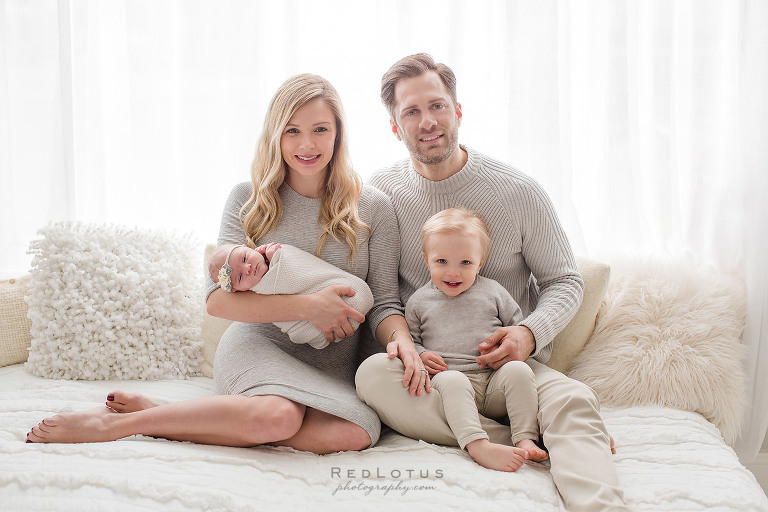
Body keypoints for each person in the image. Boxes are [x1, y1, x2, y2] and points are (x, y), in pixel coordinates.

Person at [27, 73, 404, 455]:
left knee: (354, 434)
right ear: (275, 134)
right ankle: (120, 425)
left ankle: (181, 415)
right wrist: (309, 306)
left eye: (320, 129)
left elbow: (386, 303)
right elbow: (218, 300)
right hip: (260, 345)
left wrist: (403, 342)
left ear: (338, 133)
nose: (306, 144)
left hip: (333, 362)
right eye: (292, 131)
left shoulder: (372, 206)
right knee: (278, 417)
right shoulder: (249, 200)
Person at [355, 54, 631, 511]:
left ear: (458, 111)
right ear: (394, 127)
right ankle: (525, 437)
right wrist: (406, 346)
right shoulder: (380, 196)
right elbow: (383, 301)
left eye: (437, 106)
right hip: (435, 376)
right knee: (370, 375)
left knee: (573, 398)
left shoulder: (518, 192)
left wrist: (528, 333)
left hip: (511, 371)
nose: (427, 121)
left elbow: (564, 280)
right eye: (411, 111)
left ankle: (599, 503)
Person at [407, 207, 548, 472]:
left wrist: (510, 345)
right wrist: (421, 354)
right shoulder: (418, 302)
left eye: (465, 263)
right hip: (452, 386)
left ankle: (525, 437)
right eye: (442, 262)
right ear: (426, 260)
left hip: (493, 380)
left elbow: (515, 329)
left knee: (518, 370)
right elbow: (411, 341)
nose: (453, 273)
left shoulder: (493, 292)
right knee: (452, 380)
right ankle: (477, 444)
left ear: (480, 263)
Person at [209, 242, 374, 349]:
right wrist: (312, 307)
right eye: (239, 277)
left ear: (248, 246)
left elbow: (298, 268)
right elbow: (215, 305)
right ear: (236, 291)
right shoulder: (257, 290)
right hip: (260, 347)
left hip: (347, 296)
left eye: (245, 257)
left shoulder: (274, 254)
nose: (247, 268)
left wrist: (278, 258)